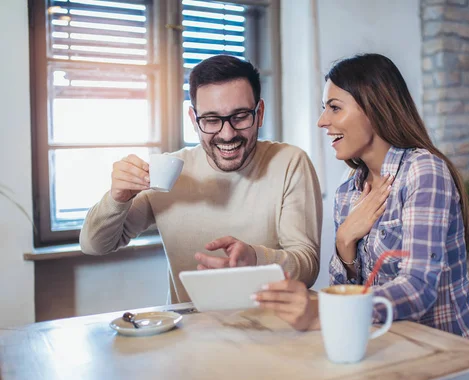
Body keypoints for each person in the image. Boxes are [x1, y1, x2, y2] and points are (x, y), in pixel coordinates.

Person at [254, 53, 469, 380]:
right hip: (387, 365)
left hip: (455, 376)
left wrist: (323, 310)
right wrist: (344, 242)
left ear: (374, 107)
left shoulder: (424, 171)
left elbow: (418, 290)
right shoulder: (348, 188)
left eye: (334, 107)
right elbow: (344, 289)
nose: (322, 121)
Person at [80, 55, 323, 304]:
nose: (227, 134)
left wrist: (256, 259)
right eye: (211, 120)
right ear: (194, 120)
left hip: (270, 328)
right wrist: (117, 199)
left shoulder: (290, 162)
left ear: (259, 113)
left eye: (240, 117)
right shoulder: (170, 171)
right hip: (187, 332)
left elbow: (308, 266)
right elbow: (94, 245)